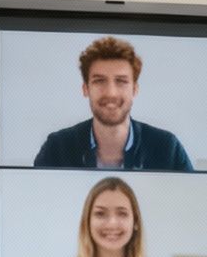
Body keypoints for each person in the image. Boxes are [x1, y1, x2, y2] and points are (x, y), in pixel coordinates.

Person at [32, 36, 194, 171]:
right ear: (85, 89)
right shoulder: (56, 148)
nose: (111, 93)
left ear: (135, 89)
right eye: (99, 81)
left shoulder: (167, 149)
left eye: (121, 81)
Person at [43, 176, 177, 257]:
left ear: (135, 222)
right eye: (100, 214)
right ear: (87, 222)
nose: (112, 223)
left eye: (122, 213)